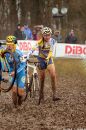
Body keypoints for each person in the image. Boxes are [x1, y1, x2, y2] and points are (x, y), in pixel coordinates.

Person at [37, 27, 60, 104]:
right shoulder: (40, 42)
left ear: (50, 35)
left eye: (48, 35)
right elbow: (33, 48)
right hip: (41, 59)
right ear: (42, 35)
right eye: (45, 35)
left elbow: (51, 51)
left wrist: (48, 58)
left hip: (49, 59)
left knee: (53, 75)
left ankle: (54, 94)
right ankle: (41, 94)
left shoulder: (53, 41)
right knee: (42, 77)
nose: (47, 37)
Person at [4, 35, 26, 107]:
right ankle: (15, 107)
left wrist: (16, 72)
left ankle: (20, 100)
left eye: (10, 44)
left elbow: (23, 64)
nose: (9, 45)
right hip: (12, 73)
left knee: (20, 93)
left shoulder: (19, 52)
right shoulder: (6, 52)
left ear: (14, 44)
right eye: (7, 44)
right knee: (14, 91)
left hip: (20, 73)